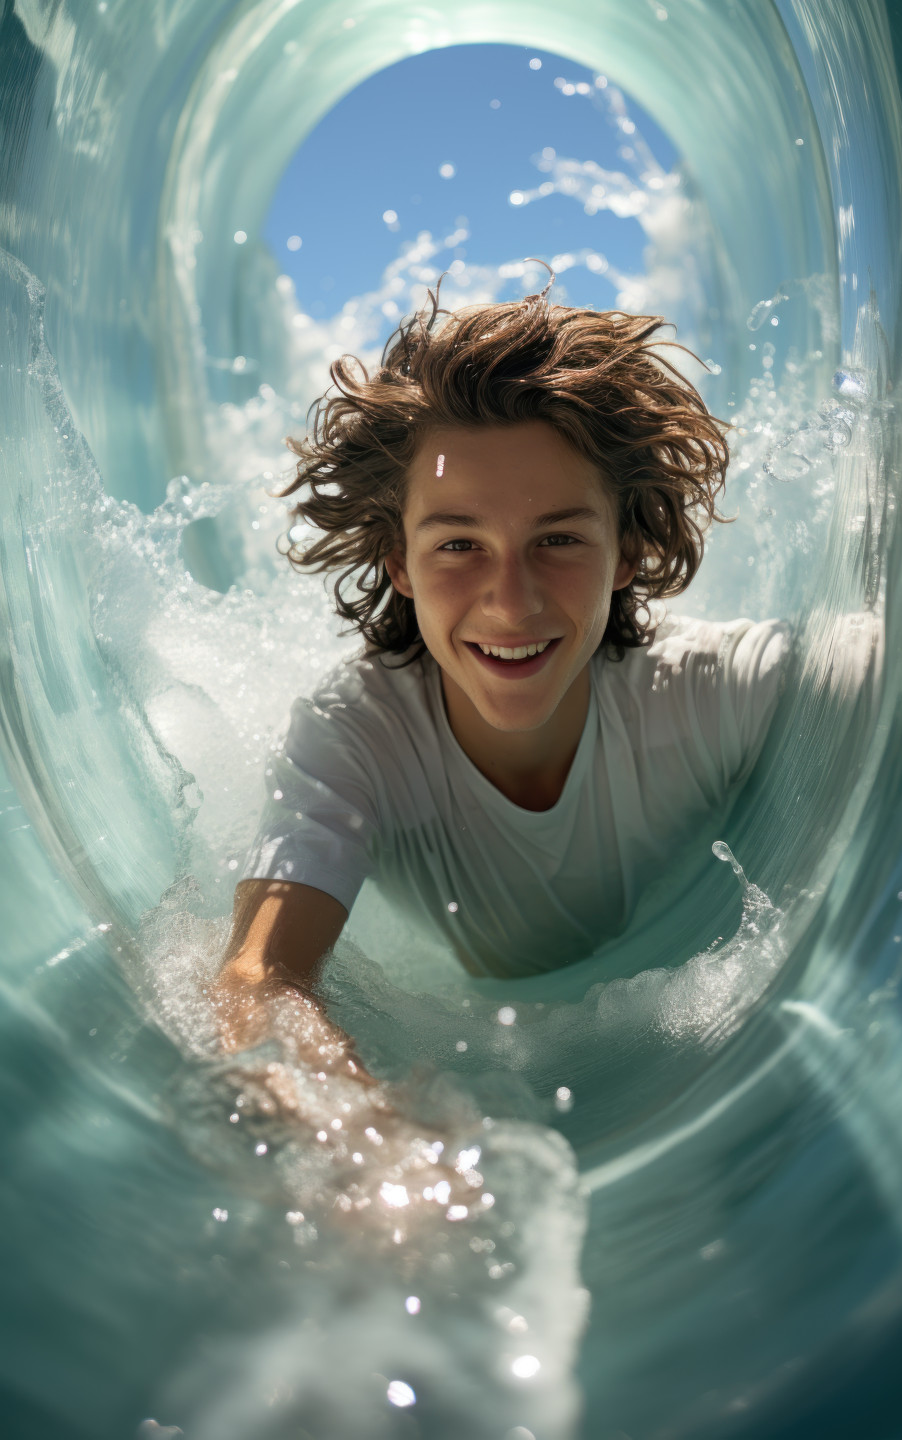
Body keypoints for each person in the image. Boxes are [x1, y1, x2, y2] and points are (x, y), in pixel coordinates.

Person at [211, 279, 792, 1089]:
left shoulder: (709, 689)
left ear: (626, 552)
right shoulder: (355, 737)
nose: (511, 603)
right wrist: (364, 1131)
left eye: (558, 539)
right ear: (400, 562)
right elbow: (258, 981)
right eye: (458, 545)